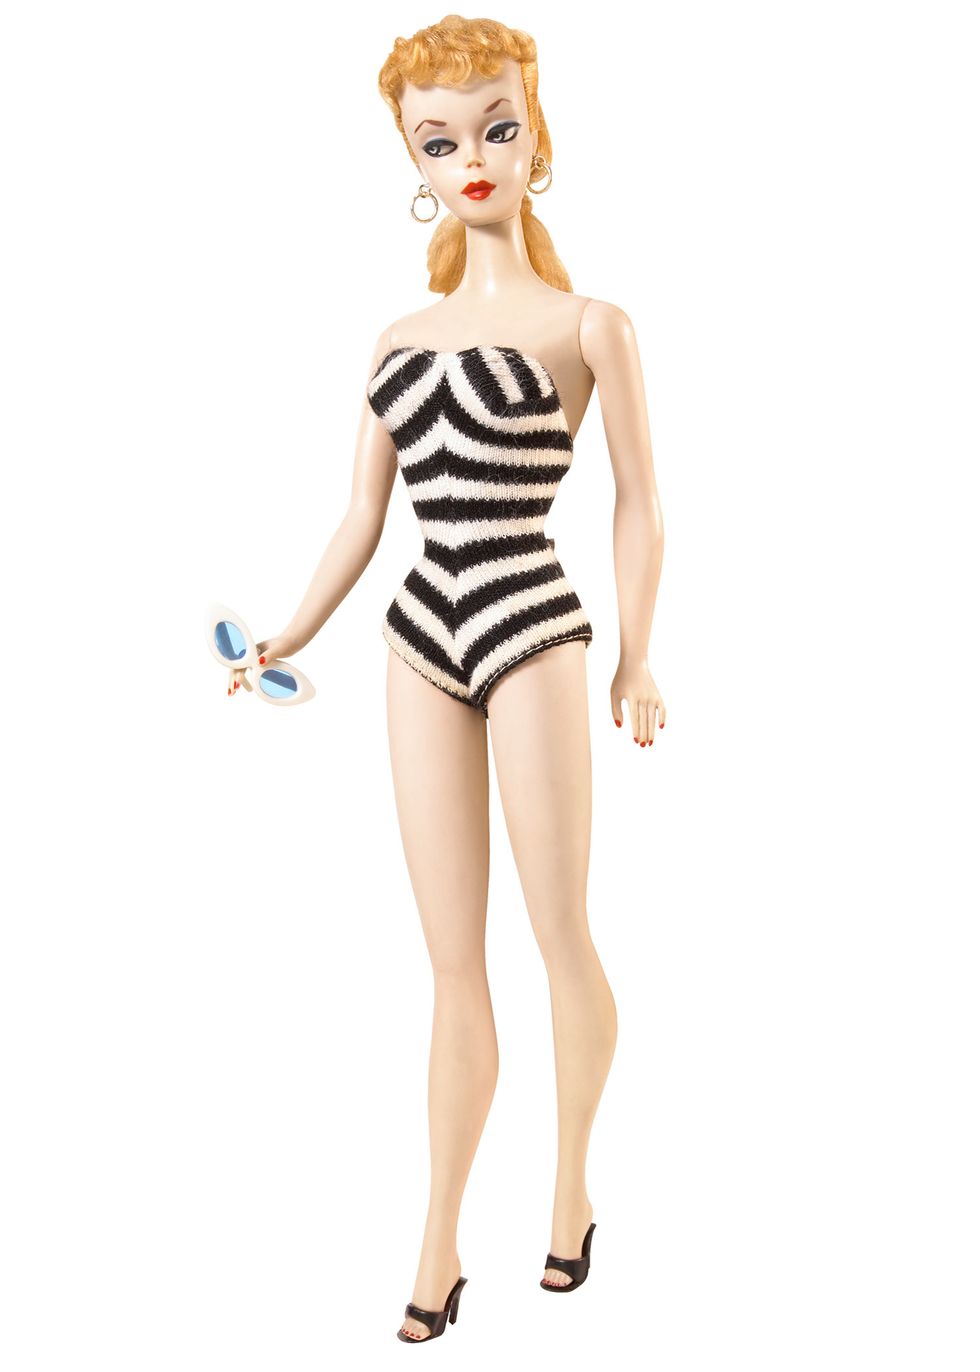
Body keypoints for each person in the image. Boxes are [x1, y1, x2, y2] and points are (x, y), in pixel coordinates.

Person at [231, 14, 665, 1343]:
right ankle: (438, 1234)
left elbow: (641, 504)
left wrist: (639, 655)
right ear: (413, 161)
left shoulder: (591, 325)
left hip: (532, 622)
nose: (471, 158)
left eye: (496, 128)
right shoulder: (396, 340)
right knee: (450, 965)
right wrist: (289, 634)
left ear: (537, 138)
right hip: (421, 633)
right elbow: (361, 517)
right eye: (438, 140)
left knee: (559, 932)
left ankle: (572, 1186)